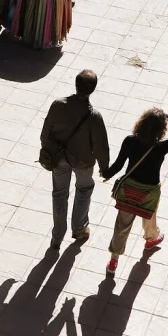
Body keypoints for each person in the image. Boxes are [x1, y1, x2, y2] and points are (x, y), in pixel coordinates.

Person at [102, 109, 168, 274]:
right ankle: (151, 239)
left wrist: (106, 174)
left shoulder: (129, 141)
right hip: (149, 191)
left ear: (140, 124)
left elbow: (119, 165)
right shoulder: (161, 147)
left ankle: (113, 262)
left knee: (122, 225)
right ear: (160, 130)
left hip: (129, 190)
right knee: (149, 215)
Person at [41, 69, 110, 249]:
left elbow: (45, 132)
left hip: (58, 158)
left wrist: (48, 151)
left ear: (75, 84)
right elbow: (101, 145)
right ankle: (79, 229)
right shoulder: (94, 117)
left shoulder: (57, 105)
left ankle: (57, 237)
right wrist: (104, 167)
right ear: (93, 89)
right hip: (83, 162)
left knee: (59, 194)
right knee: (84, 190)